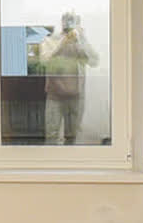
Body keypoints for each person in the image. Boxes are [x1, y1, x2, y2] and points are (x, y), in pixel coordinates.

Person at [38, 11, 99, 145]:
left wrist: (82, 40)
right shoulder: (50, 40)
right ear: (61, 22)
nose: (69, 23)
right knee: (51, 136)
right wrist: (63, 42)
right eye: (67, 19)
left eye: (73, 20)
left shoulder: (80, 42)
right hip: (54, 96)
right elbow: (44, 61)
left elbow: (94, 61)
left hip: (76, 97)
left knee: (72, 137)